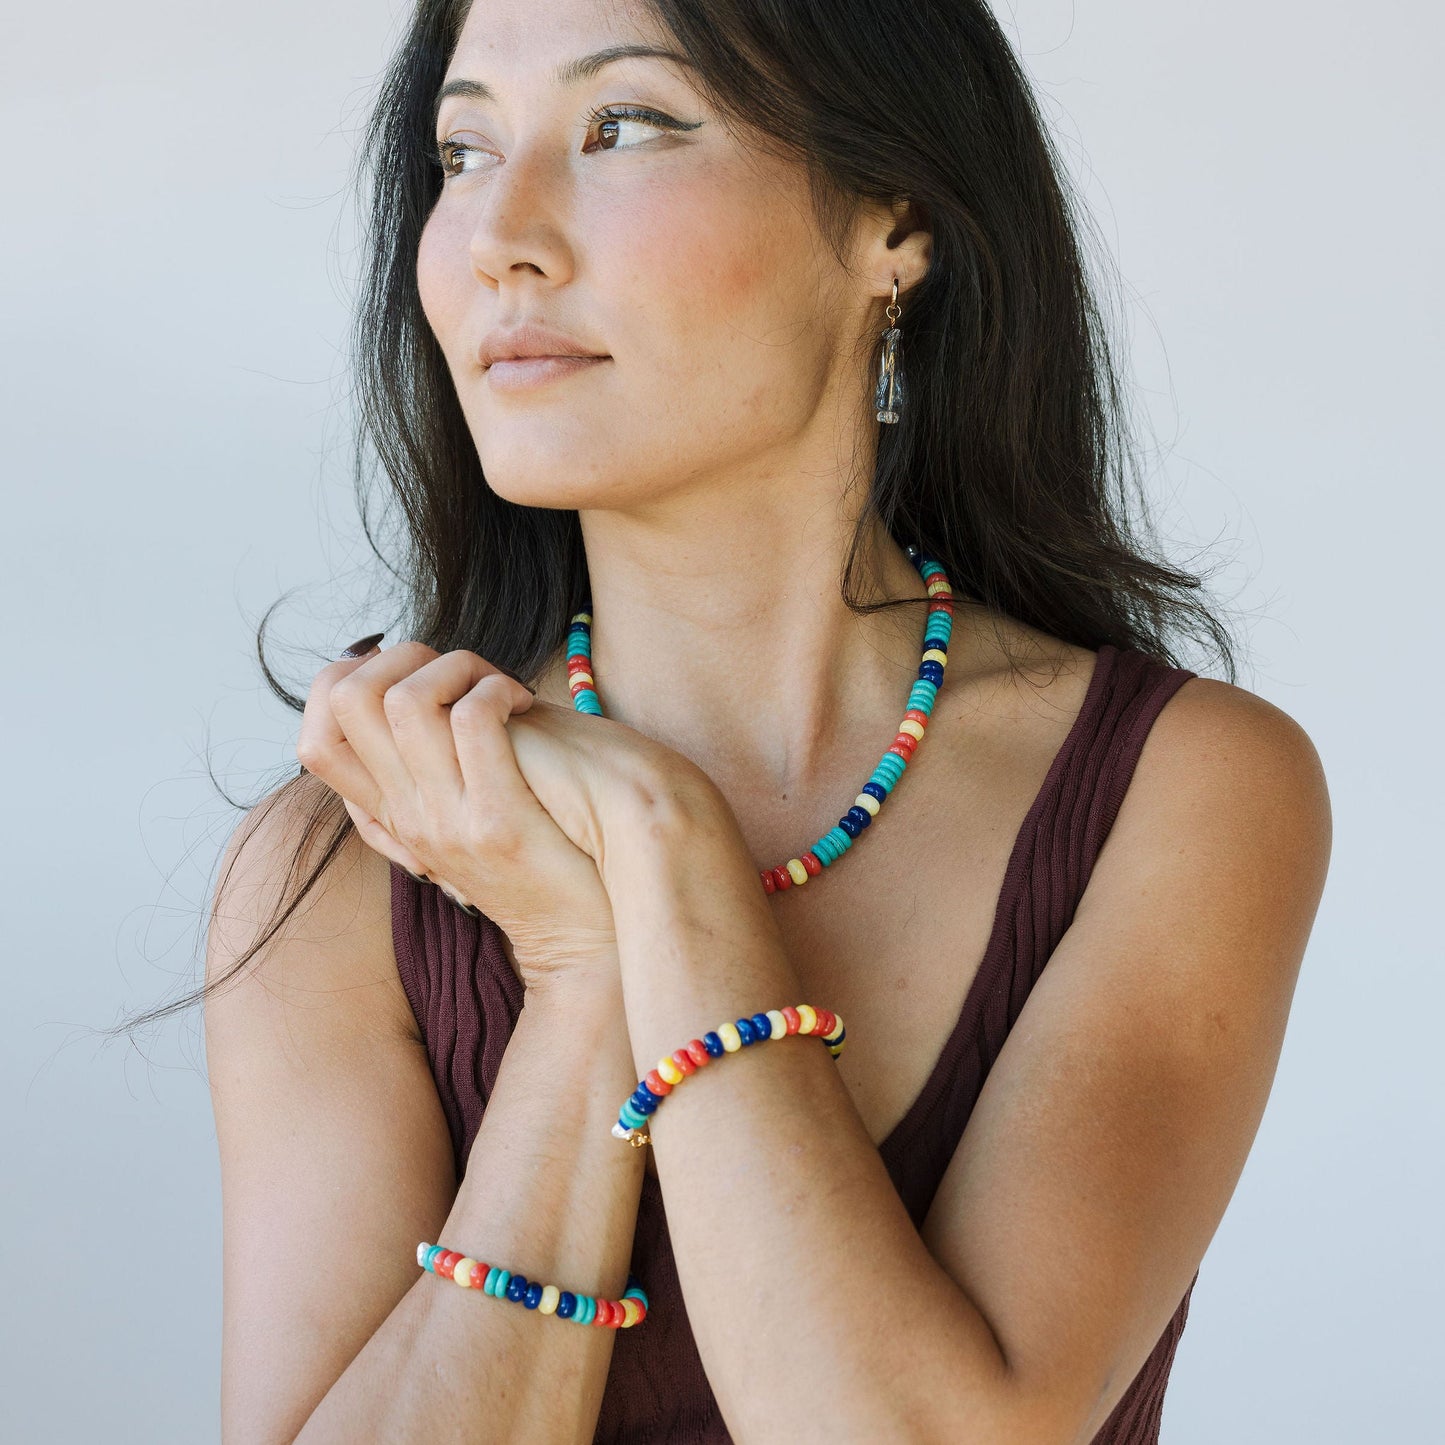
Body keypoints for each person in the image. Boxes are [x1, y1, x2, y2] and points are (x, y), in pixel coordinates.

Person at [198, 0, 1332, 1439]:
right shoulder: (335, 862)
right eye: (462, 149)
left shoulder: (1181, 789)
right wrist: (579, 978)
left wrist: (665, 853)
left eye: (626, 125)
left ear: (892, 223)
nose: (497, 236)